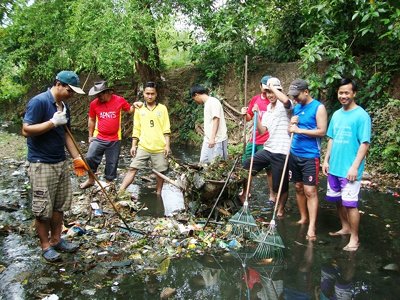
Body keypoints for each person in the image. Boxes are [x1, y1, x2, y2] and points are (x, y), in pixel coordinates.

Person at [22, 70, 88, 262]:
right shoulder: (39, 102)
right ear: (58, 84)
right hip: (41, 163)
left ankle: (57, 239)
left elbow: (66, 134)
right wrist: (51, 122)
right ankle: (45, 246)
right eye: (69, 90)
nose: (71, 94)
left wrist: (76, 158)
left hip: (60, 162)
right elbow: (26, 130)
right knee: (43, 208)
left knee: (59, 206)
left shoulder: (64, 106)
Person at [322, 78, 371, 251]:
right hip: (334, 167)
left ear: (354, 93)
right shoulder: (336, 114)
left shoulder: (361, 116)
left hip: (350, 169)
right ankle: (345, 227)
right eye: (341, 93)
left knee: (350, 204)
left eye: (347, 93)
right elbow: (331, 139)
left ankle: (355, 238)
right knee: (337, 201)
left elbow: (364, 144)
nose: (343, 96)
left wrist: (355, 167)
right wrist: (326, 160)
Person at [242, 77, 292, 215]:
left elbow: (287, 101)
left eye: (272, 92)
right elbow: (262, 130)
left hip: (282, 151)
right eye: (267, 92)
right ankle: (244, 194)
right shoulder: (269, 108)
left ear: (279, 91)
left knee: (279, 186)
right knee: (247, 166)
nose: (270, 95)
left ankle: (280, 208)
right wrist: (256, 114)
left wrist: (273, 88)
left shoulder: (285, 105)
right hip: (268, 148)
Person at [79, 81, 142, 189]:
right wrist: (90, 136)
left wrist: (135, 105)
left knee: (112, 163)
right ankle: (91, 179)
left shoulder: (119, 100)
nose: (99, 97)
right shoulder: (94, 103)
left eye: (101, 94)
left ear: (108, 92)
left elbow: (129, 110)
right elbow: (92, 119)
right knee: (90, 157)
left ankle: (108, 183)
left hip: (114, 138)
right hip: (99, 137)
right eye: (97, 94)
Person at [288, 79, 328, 241]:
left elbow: (322, 131)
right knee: (298, 187)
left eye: (296, 96)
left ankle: (312, 225)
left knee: (310, 191)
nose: (295, 99)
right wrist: (291, 125)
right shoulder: (297, 108)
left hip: (310, 156)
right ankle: (303, 217)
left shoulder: (319, 108)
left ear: (306, 91)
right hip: (294, 153)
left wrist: (299, 129)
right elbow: (291, 131)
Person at [119, 81, 171, 195]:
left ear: (156, 94)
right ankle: (120, 191)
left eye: (152, 93)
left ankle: (158, 193)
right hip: (143, 146)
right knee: (133, 168)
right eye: (147, 93)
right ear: (144, 93)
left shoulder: (162, 109)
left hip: (159, 147)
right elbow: (136, 128)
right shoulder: (139, 108)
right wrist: (133, 145)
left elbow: (166, 129)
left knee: (160, 172)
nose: (150, 96)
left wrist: (167, 145)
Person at [240, 75, 275, 203]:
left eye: (269, 88)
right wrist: (245, 113)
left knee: (269, 170)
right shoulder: (255, 99)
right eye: (264, 87)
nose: (266, 91)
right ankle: (246, 192)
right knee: (246, 166)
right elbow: (249, 117)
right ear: (260, 86)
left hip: (268, 140)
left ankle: (272, 194)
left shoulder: (273, 101)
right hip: (254, 139)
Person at [190, 84, 228, 164]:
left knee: (218, 165)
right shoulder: (207, 103)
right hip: (208, 140)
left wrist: (212, 138)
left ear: (196, 94)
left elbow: (216, 119)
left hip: (217, 140)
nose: (195, 101)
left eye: (194, 99)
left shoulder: (213, 102)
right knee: (203, 163)